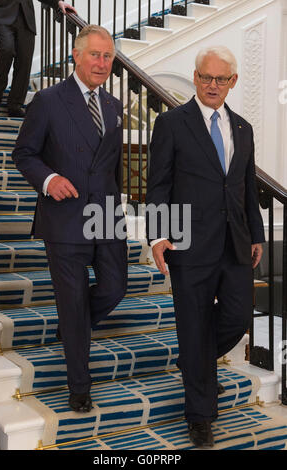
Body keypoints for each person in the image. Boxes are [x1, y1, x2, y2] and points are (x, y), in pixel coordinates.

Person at [146, 46, 265, 448]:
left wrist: (257, 234)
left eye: (220, 79)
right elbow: (158, 185)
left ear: (232, 82)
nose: (212, 85)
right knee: (193, 325)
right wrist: (158, 236)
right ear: (195, 78)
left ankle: (193, 360)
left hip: (235, 243)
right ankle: (200, 415)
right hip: (187, 244)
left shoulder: (244, 128)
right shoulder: (171, 124)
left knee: (235, 318)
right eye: (205, 77)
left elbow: (246, 187)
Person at [12, 25, 127, 412]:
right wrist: (48, 179)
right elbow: (24, 153)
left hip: (106, 214)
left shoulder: (113, 105)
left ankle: (72, 327)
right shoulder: (48, 100)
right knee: (73, 302)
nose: (101, 62)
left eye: (108, 56)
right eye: (94, 54)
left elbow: (113, 165)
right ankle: (80, 385)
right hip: (65, 217)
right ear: (76, 56)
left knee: (115, 287)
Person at [0, 0, 77, 117]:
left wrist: (58, 3)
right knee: (6, 49)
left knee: (24, 60)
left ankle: (15, 105)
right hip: (1, 13)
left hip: (25, 17)